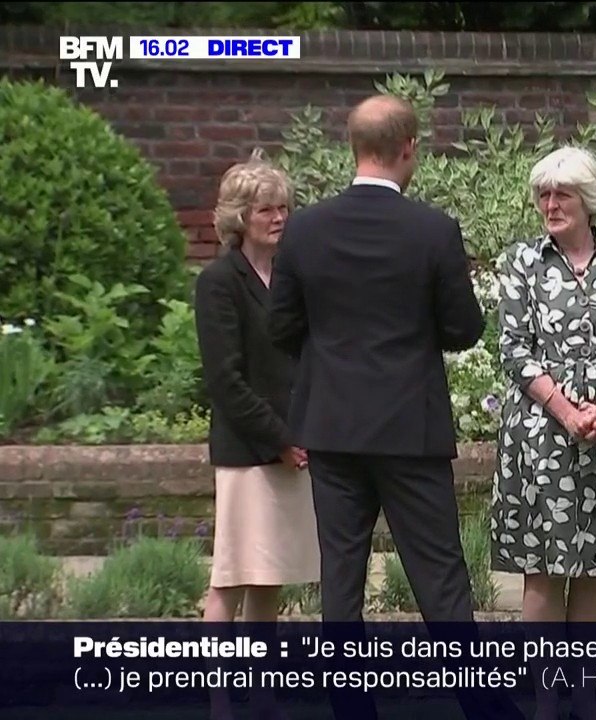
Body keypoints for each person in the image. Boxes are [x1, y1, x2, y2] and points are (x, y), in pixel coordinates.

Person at [268, 94, 522, 720]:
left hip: (331, 427)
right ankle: (483, 709)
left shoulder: (305, 228)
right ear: (409, 147)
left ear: (352, 148)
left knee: (342, 574)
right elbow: (464, 329)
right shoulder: (433, 230)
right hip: (411, 426)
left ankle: (352, 710)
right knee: (439, 574)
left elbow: (280, 327)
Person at [490, 145, 596, 720]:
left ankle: (586, 699)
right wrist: (566, 411)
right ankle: (544, 701)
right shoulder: (522, 262)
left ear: (588, 199)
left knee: (595, 567)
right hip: (540, 439)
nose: (550, 203)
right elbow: (513, 349)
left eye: (561, 193)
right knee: (543, 565)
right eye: (543, 193)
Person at [194, 152, 320, 720]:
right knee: (231, 576)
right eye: (267, 209)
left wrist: (308, 432)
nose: (279, 218)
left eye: (284, 208)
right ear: (240, 217)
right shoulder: (219, 282)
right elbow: (225, 378)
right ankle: (222, 701)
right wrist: (279, 439)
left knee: (267, 579)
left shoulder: (293, 275)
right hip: (249, 452)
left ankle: (262, 693)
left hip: (294, 447)